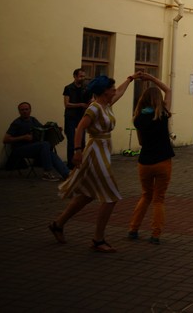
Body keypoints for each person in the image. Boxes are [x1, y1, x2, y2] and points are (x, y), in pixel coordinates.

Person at [49, 73, 138, 253]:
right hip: (95, 152)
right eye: (111, 88)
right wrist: (77, 150)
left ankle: (58, 224)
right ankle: (98, 239)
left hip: (103, 150)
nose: (114, 90)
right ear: (104, 91)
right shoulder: (95, 108)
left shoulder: (106, 105)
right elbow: (80, 128)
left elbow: (120, 92)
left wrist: (130, 79)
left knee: (87, 194)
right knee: (111, 196)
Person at [127, 73, 174, 245]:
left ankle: (133, 229)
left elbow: (140, 142)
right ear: (158, 100)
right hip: (163, 161)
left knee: (146, 195)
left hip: (145, 162)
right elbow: (168, 90)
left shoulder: (138, 119)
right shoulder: (162, 114)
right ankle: (155, 234)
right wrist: (152, 79)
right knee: (158, 198)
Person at [3, 102, 70, 181]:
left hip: (33, 148)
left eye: (26, 109)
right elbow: (6, 139)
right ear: (19, 111)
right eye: (22, 110)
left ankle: (67, 174)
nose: (24, 111)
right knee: (44, 144)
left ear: (30, 110)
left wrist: (56, 130)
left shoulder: (33, 120)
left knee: (50, 153)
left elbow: (43, 129)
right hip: (19, 149)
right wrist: (23, 137)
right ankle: (47, 172)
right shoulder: (17, 123)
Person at [62, 68, 90, 167]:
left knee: (82, 141)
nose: (82, 78)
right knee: (71, 141)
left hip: (81, 117)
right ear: (75, 76)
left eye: (84, 76)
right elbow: (67, 104)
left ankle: (81, 162)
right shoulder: (68, 88)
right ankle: (70, 164)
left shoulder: (86, 88)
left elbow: (90, 100)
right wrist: (80, 105)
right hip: (71, 117)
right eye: (80, 76)